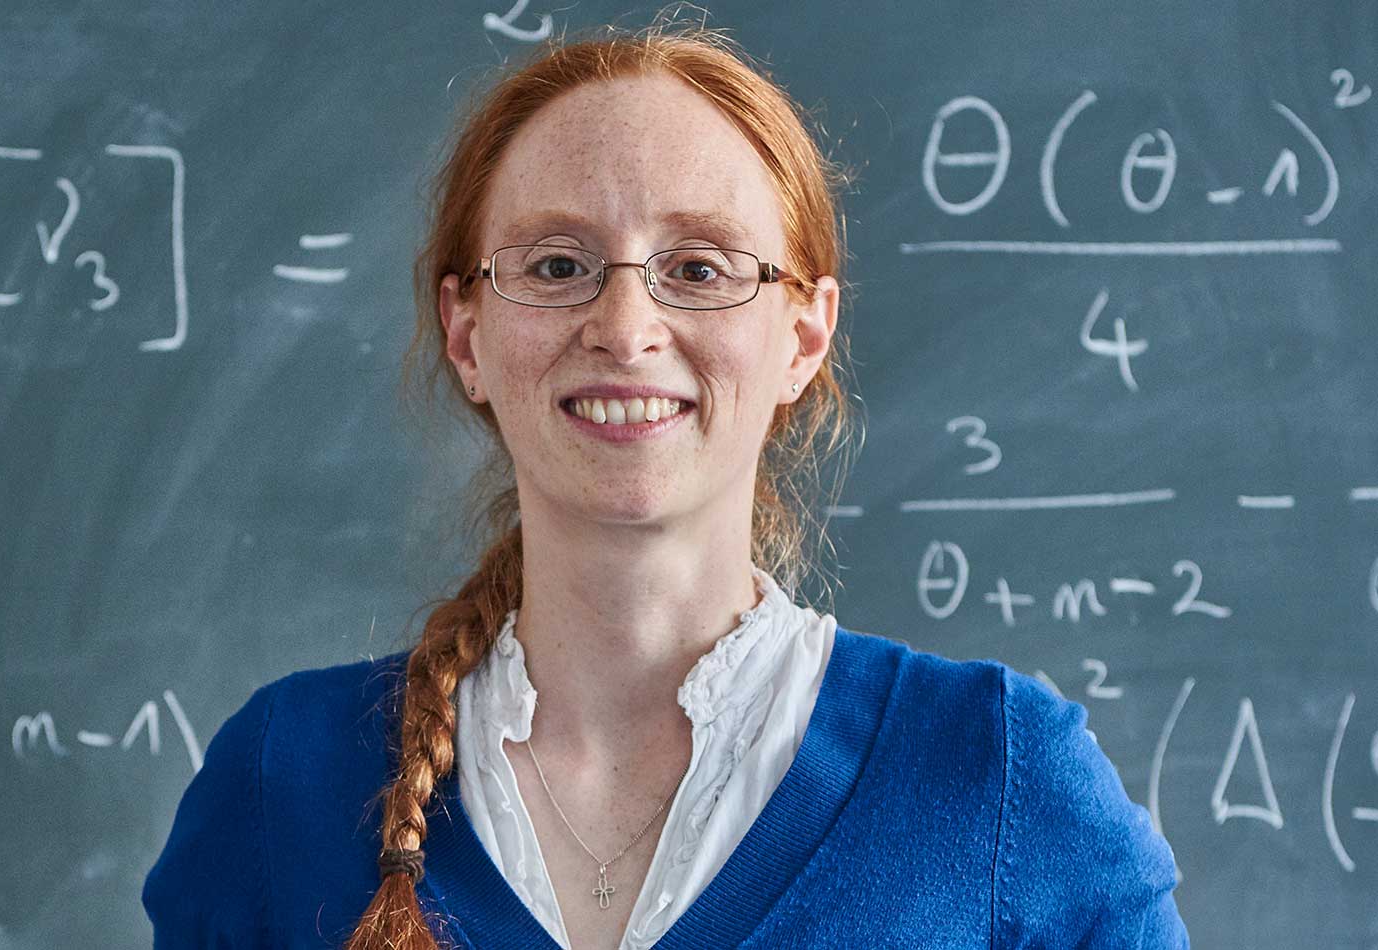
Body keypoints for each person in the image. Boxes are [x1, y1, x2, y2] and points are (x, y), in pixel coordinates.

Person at [143, 16, 1188, 950]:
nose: (626, 327)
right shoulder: (280, 782)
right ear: (467, 333)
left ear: (803, 337)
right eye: (557, 266)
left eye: (698, 268)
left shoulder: (999, 780)